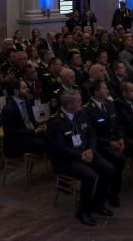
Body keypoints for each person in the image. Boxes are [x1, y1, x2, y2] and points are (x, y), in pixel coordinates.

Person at [46, 89, 115, 226]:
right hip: (66, 159)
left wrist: (91, 149)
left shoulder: (81, 113)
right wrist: (81, 154)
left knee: (109, 169)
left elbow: (92, 135)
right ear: (70, 104)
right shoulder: (55, 122)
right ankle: (83, 212)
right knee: (89, 175)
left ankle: (97, 204)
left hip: (87, 152)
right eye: (78, 101)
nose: (82, 103)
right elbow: (58, 149)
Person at [83, 80, 125, 207]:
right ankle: (112, 193)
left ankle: (113, 189)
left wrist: (121, 138)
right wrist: (110, 143)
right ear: (97, 92)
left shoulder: (109, 104)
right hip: (100, 146)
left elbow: (118, 124)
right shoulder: (88, 110)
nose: (108, 91)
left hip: (115, 141)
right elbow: (91, 135)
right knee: (118, 159)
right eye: (105, 89)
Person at [1, 79, 49, 158]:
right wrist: (34, 131)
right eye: (24, 88)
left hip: (30, 134)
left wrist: (41, 126)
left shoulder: (26, 102)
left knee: (53, 136)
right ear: (16, 91)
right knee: (45, 144)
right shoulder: (8, 109)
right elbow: (12, 131)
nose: (28, 90)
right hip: (17, 140)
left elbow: (31, 120)